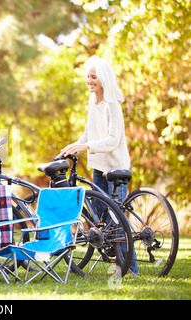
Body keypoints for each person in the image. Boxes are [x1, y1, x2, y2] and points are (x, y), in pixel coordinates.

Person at [61, 56, 139, 275]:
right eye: (87, 76)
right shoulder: (92, 103)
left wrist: (85, 147)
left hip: (115, 169)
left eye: (94, 77)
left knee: (117, 220)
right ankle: (114, 260)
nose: (89, 80)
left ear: (103, 78)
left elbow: (113, 140)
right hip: (98, 168)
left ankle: (130, 268)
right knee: (100, 220)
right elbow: (88, 134)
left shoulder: (112, 105)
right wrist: (73, 146)